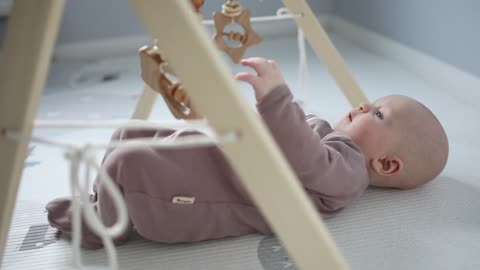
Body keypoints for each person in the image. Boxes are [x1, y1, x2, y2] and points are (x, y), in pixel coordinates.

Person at [46, 57, 449, 249]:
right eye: (370, 102)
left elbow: (305, 157)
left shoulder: (348, 172)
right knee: (128, 133)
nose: (362, 106)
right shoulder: (333, 144)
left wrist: (276, 98)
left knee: (126, 163)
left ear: (387, 164)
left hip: (200, 196)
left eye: (378, 113)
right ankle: (106, 199)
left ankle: (104, 226)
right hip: (215, 159)